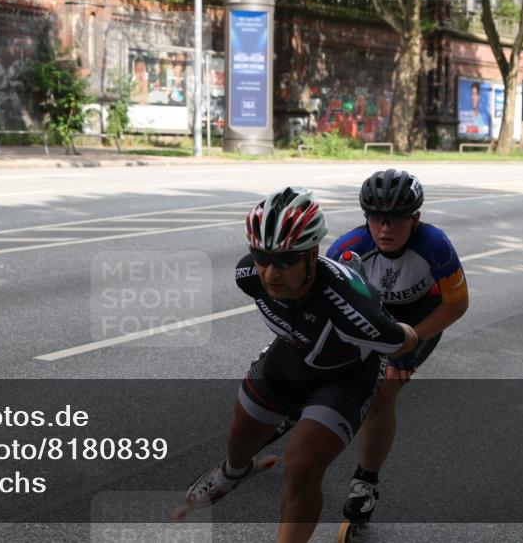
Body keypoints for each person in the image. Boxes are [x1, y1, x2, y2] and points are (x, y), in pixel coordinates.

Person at [183, 186, 419, 543]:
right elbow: (271, 284)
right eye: (262, 257)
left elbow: (406, 339)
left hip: (349, 375)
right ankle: (235, 472)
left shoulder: (351, 307)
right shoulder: (248, 277)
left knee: (302, 467)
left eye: (285, 260)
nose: (270, 273)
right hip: (295, 354)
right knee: (241, 436)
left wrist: (387, 323)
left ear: (311, 254)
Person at [326, 169, 469, 525]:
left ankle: (365, 483)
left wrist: (409, 342)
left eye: (396, 220)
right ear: (366, 219)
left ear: (415, 219)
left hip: (421, 318)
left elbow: (457, 304)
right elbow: (324, 303)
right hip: (372, 315)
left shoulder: (434, 246)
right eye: (376, 218)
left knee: (385, 390)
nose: (385, 228)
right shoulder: (347, 248)